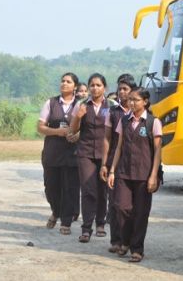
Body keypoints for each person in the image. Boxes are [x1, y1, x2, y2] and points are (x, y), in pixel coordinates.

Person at [108, 87, 162, 263]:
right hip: (124, 172)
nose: (131, 103)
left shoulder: (153, 122)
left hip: (144, 174)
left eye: (135, 100)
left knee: (141, 213)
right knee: (121, 207)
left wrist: (153, 175)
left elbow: (157, 151)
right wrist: (112, 170)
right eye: (130, 99)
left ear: (145, 102)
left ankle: (136, 249)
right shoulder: (124, 120)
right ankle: (126, 240)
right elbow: (119, 147)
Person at [70, 73, 115, 243]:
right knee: (88, 190)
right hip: (86, 153)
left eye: (98, 85)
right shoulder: (81, 105)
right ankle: (86, 228)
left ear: (105, 88)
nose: (95, 88)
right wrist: (78, 117)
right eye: (92, 85)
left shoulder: (112, 105)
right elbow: (72, 131)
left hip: (105, 154)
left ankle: (101, 223)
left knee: (103, 190)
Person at [38, 72, 80, 235]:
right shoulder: (51, 103)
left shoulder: (80, 105)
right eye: (62, 81)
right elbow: (40, 127)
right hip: (52, 152)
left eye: (68, 82)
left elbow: (86, 127)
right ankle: (56, 211)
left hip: (72, 153)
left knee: (69, 188)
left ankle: (66, 221)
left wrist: (77, 135)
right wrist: (57, 132)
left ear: (75, 86)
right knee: (51, 188)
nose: (64, 84)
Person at [100, 74, 136, 253]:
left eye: (125, 89)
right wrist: (105, 164)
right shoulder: (112, 112)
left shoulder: (142, 113)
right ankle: (116, 240)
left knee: (130, 205)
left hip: (136, 163)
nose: (121, 92)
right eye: (120, 89)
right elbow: (107, 139)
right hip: (115, 160)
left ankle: (130, 239)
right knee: (114, 202)